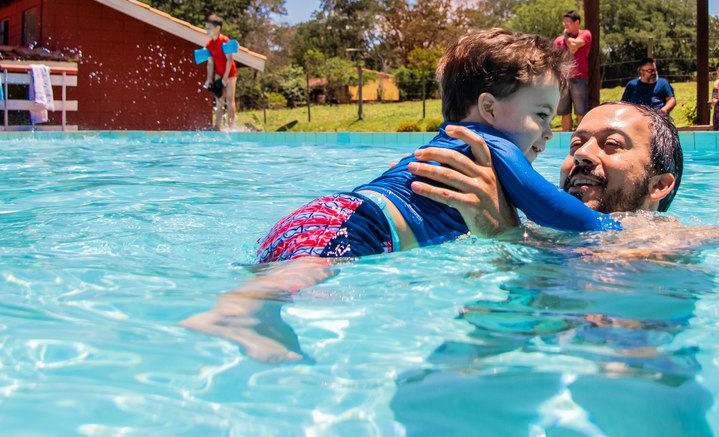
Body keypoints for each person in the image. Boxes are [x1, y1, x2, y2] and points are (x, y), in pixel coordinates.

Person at [181, 102, 719, 362]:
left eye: (610, 145)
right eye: (576, 142)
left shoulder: (680, 238)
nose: (582, 155)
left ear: (660, 184)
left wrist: (507, 237)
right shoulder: (534, 220)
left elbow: (614, 328)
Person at [253, 29, 620, 264]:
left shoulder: (453, 142)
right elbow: (555, 210)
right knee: (285, 286)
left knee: (281, 292)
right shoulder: (491, 143)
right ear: (489, 108)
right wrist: (612, 229)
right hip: (360, 225)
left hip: (321, 217)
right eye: (541, 115)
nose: (549, 132)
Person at [554, 10, 593, 132]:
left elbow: (574, 45)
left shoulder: (585, 34)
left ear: (577, 23)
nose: (565, 25)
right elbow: (559, 58)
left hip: (579, 78)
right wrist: (571, 46)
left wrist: (567, 37)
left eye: (568, 22)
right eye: (564, 22)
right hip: (563, 79)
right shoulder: (558, 40)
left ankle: (580, 137)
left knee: (581, 111)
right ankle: (566, 137)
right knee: (564, 111)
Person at [202, 14, 238, 131]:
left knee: (229, 99)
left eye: (209, 28)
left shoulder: (225, 41)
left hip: (230, 73)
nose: (207, 30)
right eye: (206, 28)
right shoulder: (209, 44)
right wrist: (209, 79)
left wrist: (225, 77)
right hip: (219, 73)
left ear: (217, 28)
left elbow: (229, 60)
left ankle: (231, 127)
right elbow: (210, 63)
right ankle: (217, 126)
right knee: (218, 100)